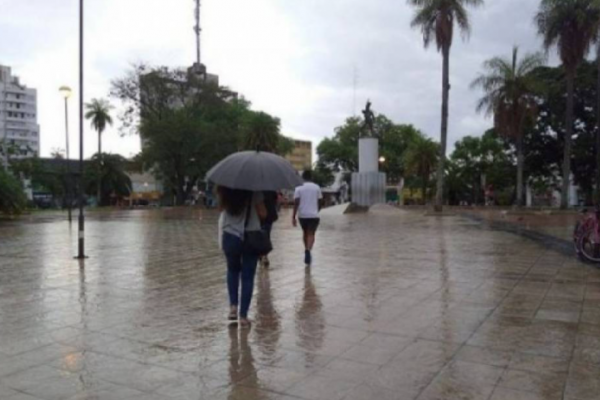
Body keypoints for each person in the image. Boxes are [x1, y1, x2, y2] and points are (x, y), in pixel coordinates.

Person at [218, 186, 267, 327]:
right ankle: (243, 317)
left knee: (232, 270)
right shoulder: (255, 190)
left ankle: (233, 306)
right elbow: (263, 213)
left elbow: (220, 209)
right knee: (247, 277)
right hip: (251, 236)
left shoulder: (226, 188)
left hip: (230, 235)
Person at [292, 171, 323, 266]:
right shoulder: (316, 187)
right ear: (311, 177)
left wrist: (293, 216)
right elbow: (320, 201)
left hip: (302, 215)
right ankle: (308, 250)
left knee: (305, 233)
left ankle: (306, 249)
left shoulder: (298, 187)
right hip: (313, 215)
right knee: (311, 233)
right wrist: (317, 209)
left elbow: (296, 203)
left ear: (303, 178)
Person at [260, 191, 279, 268]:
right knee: (266, 235)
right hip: (269, 216)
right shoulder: (271, 189)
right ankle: (264, 255)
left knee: (258, 236)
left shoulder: (255, 190)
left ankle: (262, 255)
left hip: (258, 217)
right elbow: (275, 201)